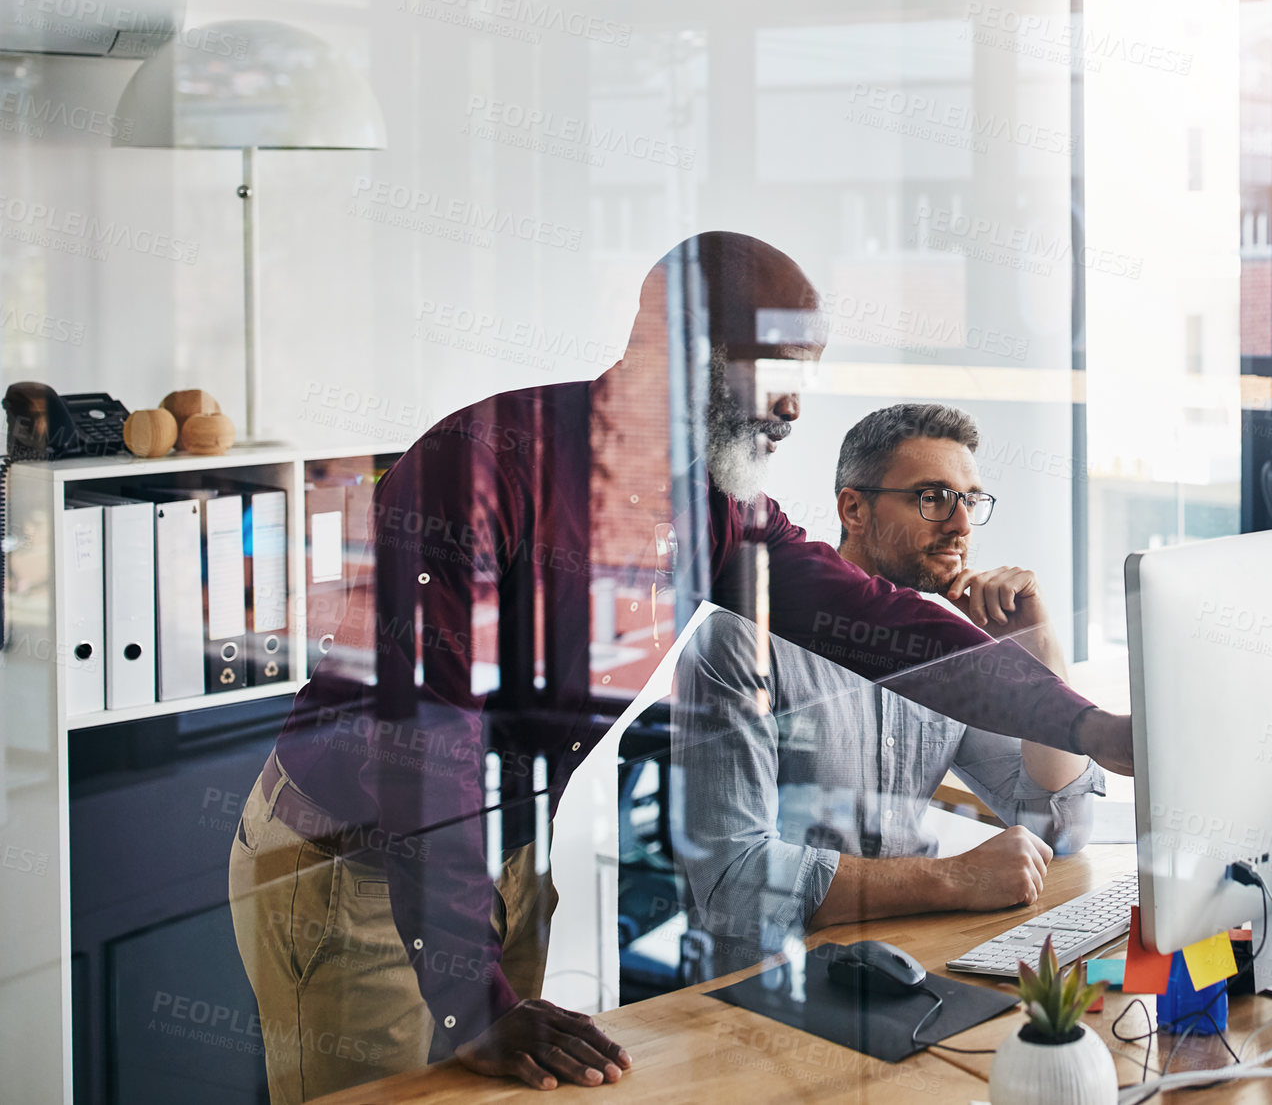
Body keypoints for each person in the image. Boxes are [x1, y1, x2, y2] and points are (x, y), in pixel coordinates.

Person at [228, 233, 1132, 1103]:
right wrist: (477, 1004)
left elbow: (880, 623)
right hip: (355, 871)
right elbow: (426, 744)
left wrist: (1087, 727)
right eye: (777, 375)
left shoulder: (712, 508)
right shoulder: (476, 469)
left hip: (494, 858)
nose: (793, 410)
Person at [674, 403, 1102, 975]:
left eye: (969, 500)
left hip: (916, 966)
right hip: (774, 991)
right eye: (932, 498)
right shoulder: (742, 640)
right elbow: (736, 886)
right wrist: (956, 878)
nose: (961, 525)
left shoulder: (946, 653)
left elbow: (1063, 826)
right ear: (853, 508)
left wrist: (1037, 646)